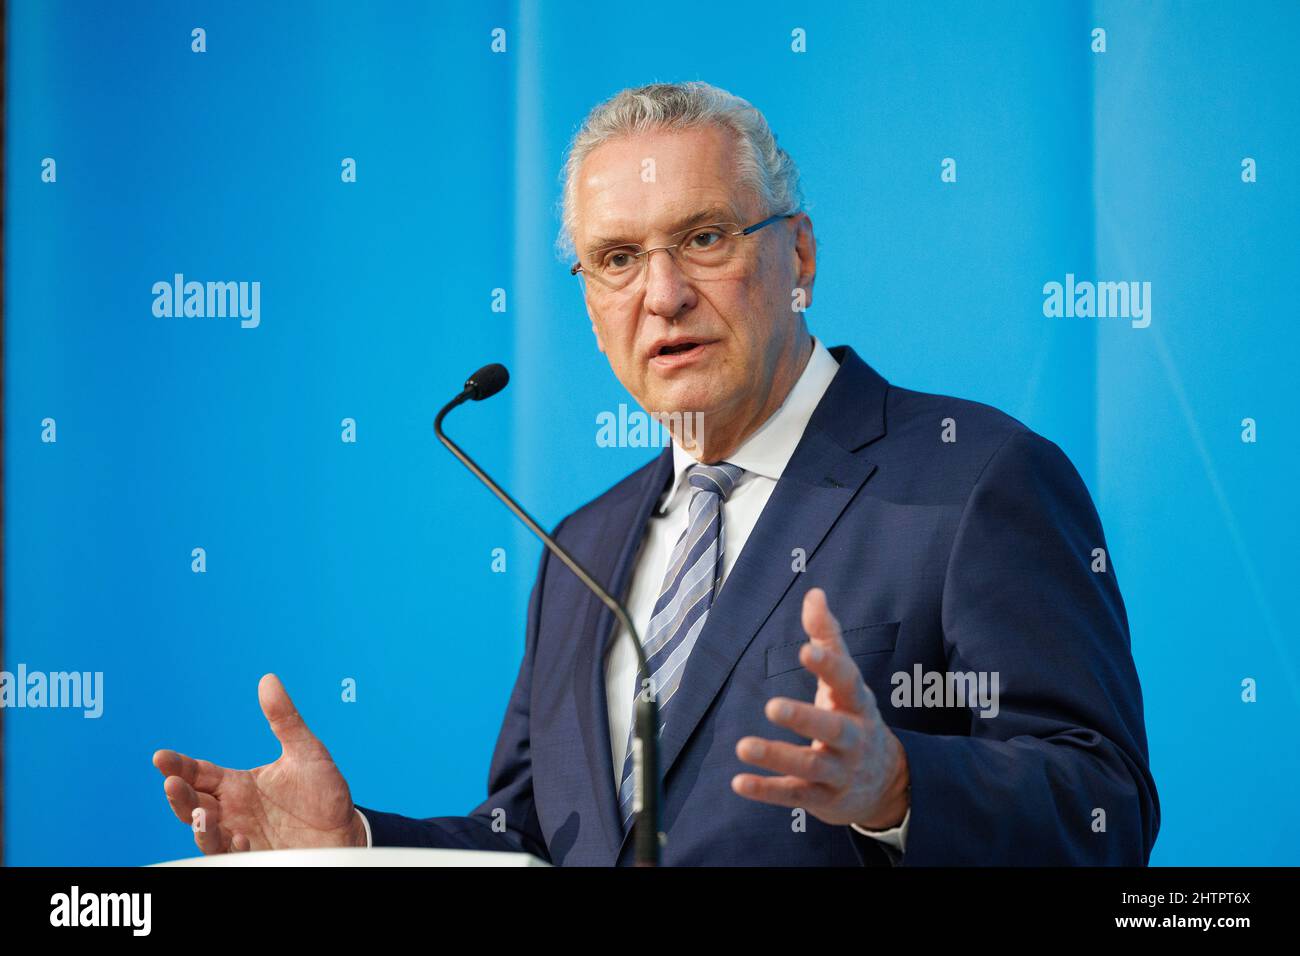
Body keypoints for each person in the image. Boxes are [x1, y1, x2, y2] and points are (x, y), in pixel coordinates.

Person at [154, 81, 1159, 865]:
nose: (663, 294)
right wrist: (359, 843)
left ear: (797, 254)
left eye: (704, 238)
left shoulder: (974, 479)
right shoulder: (580, 548)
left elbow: (1103, 803)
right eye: (618, 259)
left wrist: (897, 787)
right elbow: (540, 839)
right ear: (590, 307)